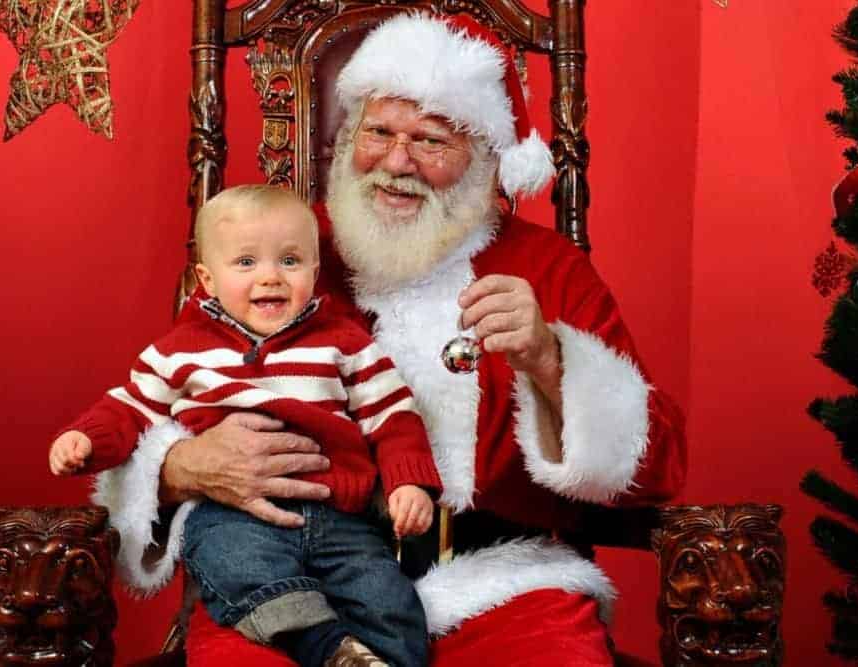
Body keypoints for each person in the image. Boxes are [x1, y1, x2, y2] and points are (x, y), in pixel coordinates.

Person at [93, 13, 688, 666]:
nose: (397, 163)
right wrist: (177, 467)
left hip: (497, 584)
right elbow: (154, 397)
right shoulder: (285, 258)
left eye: (430, 141)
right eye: (378, 132)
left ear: (488, 160)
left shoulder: (548, 269)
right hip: (295, 578)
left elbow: (657, 466)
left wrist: (550, 359)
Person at [53, 185, 443, 667]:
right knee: (236, 566)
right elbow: (130, 409)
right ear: (207, 279)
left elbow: (394, 414)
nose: (270, 278)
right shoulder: (181, 350)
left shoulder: (345, 343)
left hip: (338, 515)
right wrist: (86, 439)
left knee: (388, 599)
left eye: (290, 261)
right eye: (246, 263)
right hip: (232, 514)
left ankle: (383, 657)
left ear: (315, 272)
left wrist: (409, 482)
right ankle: (327, 646)